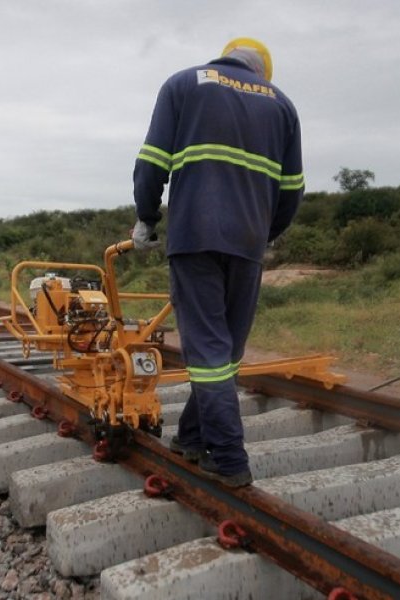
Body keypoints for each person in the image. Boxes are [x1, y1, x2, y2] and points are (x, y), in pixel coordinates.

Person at [131, 37, 303, 487]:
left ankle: (228, 457)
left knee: (210, 354)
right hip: (248, 243)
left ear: (225, 56)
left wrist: (147, 219)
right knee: (224, 352)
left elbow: (151, 163)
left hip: (195, 237)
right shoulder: (282, 105)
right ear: (262, 70)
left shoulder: (184, 84)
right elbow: (293, 190)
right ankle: (190, 438)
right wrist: (265, 233)